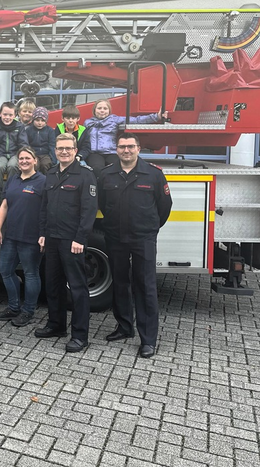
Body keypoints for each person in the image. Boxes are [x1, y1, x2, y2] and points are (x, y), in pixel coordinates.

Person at [98, 133, 172, 359]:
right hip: (115, 237)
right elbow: (102, 203)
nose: (126, 150)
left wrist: (150, 229)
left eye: (130, 146)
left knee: (145, 286)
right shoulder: (106, 174)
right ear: (117, 149)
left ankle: (148, 339)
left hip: (143, 239)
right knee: (120, 283)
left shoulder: (154, 174)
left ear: (138, 149)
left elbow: (165, 206)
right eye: (122, 147)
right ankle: (124, 327)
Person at [36, 133, 97, 352]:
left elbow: (89, 210)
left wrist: (81, 238)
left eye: (68, 148)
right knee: (53, 285)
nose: (64, 152)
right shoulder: (51, 173)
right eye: (60, 148)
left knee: (78, 288)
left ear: (75, 150)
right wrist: (42, 233)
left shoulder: (85, 175)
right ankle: (56, 324)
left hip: (72, 241)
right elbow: (44, 206)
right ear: (55, 150)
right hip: (52, 238)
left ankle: (80, 336)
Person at [0, 147, 46, 328]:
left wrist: (43, 234)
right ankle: (14, 307)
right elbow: (5, 204)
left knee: (31, 274)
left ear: (35, 161)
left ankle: (28, 311)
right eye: (21, 158)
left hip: (31, 237)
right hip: (11, 235)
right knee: (5, 270)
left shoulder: (43, 182)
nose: (23, 161)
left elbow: (47, 211)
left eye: (27, 158)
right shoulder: (13, 179)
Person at [84, 99, 166, 176]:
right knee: (97, 168)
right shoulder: (88, 123)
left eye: (105, 108)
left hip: (111, 152)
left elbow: (136, 120)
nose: (102, 110)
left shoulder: (114, 119)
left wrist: (156, 117)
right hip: (94, 153)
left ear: (109, 111)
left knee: (118, 168)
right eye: (99, 108)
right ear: (94, 110)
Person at [0, 101, 27, 213]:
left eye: (10, 115)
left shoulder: (20, 127)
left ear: (15, 115)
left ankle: (10, 193)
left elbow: (23, 144)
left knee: (13, 166)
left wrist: (23, 159)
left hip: (16, 154)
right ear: (0, 114)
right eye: (5, 114)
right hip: (1, 154)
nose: (7, 117)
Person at [24, 106, 56, 174]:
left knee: (46, 164)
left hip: (45, 154)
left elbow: (52, 145)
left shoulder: (50, 131)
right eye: (37, 120)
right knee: (35, 165)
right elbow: (26, 144)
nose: (40, 123)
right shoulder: (29, 130)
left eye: (42, 120)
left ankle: (46, 181)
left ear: (46, 121)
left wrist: (53, 160)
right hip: (33, 154)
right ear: (33, 120)